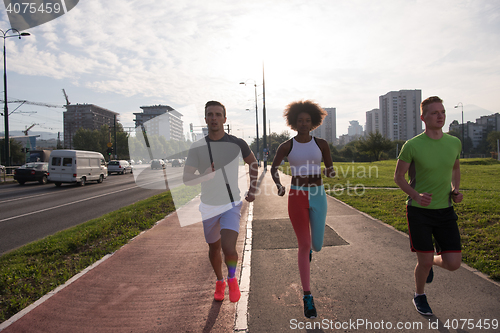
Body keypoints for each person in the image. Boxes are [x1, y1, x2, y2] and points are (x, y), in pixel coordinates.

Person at [394, 96, 463, 316]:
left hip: (445, 210)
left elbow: (454, 169)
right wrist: (415, 195)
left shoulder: (454, 143)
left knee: (453, 263)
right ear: (423, 118)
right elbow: (399, 177)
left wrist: (455, 189)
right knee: (422, 262)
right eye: (434, 113)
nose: (440, 115)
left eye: (442, 111)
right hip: (419, 212)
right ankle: (420, 295)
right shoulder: (412, 145)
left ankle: (431, 261)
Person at [183, 101, 258, 303]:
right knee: (214, 248)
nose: (214, 118)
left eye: (218, 114)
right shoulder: (197, 147)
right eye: (210, 114)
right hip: (208, 205)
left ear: (225, 119)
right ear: (206, 119)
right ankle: (220, 280)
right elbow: (186, 178)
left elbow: (253, 163)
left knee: (229, 248)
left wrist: (253, 188)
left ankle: (232, 279)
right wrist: (204, 176)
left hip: (231, 203)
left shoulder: (237, 143)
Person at [270, 100, 335, 319]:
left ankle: (308, 249)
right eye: (300, 121)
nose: (304, 124)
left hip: (318, 195)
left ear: (314, 122)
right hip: (296, 195)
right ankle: (307, 296)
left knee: (316, 246)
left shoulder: (322, 144)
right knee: (303, 243)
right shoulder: (287, 146)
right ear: (294, 122)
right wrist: (279, 185)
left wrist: (330, 173)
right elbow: (274, 167)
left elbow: (330, 167)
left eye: (308, 121)